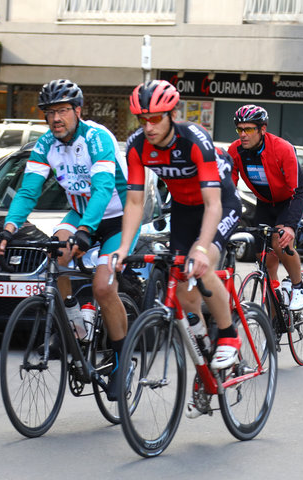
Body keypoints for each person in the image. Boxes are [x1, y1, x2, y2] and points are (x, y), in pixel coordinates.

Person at [0, 79, 131, 401]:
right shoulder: (45, 145)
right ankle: (76, 323)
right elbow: (27, 192)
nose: (56, 118)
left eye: (63, 111)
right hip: (81, 214)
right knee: (56, 254)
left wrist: (86, 231)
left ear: (77, 111)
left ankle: (123, 361)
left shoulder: (97, 138)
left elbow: (104, 188)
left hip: (117, 217)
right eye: (50, 112)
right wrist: (7, 230)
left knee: (104, 287)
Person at [112, 80, 242, 382]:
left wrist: (201, 249)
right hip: (183, 208)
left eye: (155, 118)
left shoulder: (194, 140)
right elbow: (134, 201)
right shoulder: (137, 146)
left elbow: (213, 205)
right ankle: (203, 346)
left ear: (172, 114)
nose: (148, 126)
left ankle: (229, 334)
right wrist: (123, 247)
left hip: (219, 202)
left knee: (203, 264)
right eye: (142, 119)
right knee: (182, 288)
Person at [227, 104, 303, 310]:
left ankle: (298, 286)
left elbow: (299, 191)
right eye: (240, 130)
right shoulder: (235, 151)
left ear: (262, 129)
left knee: (280, 241)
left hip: (289, 201)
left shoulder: (282, 148)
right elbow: (228, 188)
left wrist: (290, 226)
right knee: (261, 253)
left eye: (249, 129)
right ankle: (274, 297)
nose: (243, 135)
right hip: (264, 203)